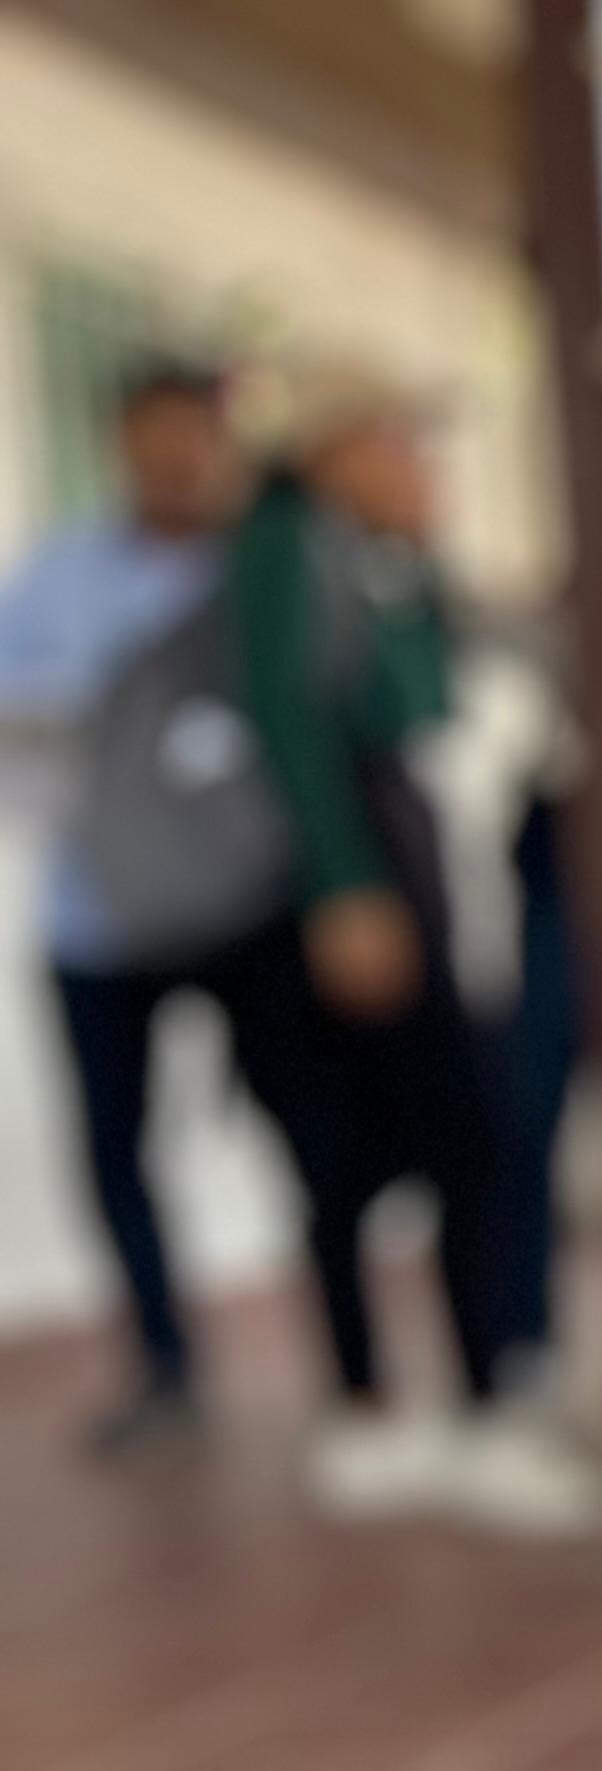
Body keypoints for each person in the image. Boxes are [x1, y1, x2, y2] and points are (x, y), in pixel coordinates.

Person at [231, 368, 602, 1535]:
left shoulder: (390, 568)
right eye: (396, 443)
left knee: (462, 1145)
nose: (419, 469)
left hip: (428, 883)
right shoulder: (288, 545)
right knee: (363, 1157)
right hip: (361, 893)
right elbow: (290, 715)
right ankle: (378, 1406)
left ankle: (477, 1393)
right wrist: (345, 886)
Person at [0, 358, 248, 1452]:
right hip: (96, 917)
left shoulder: (257, 574)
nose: (173, 457)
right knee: (114, 1148)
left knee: (311, 1128)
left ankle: (361, 1373)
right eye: (153, 434)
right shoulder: (55, 579)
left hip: (247, 913)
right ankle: (163, 1366)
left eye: (191, 434)